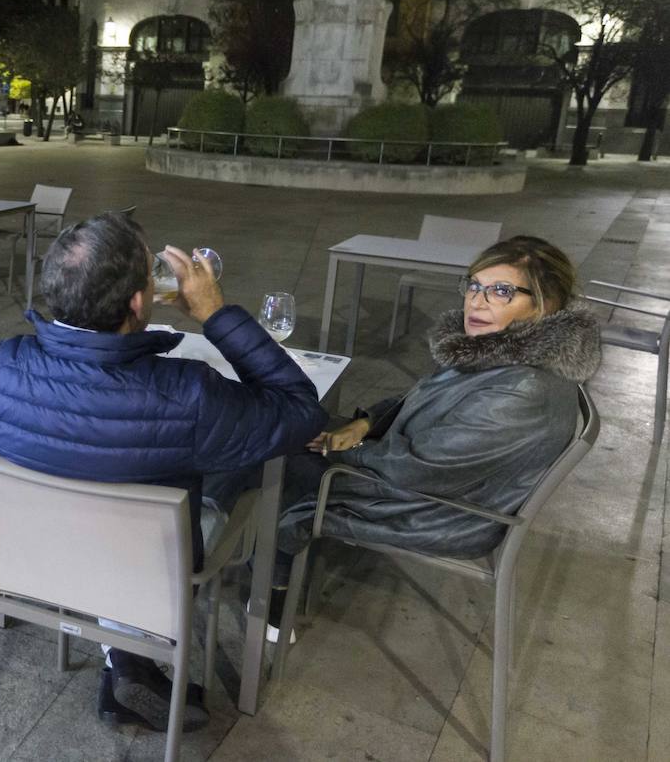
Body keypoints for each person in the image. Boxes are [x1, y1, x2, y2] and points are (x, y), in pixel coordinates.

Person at [0, 212, 326, 734]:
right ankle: (132, 653)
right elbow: (300, 410)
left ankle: (125, 660)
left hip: (32, 553)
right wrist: (216, 314)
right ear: (138, 302)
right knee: (242, 474)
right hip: (143, 563)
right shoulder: (188, 393)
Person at [206, 236, 601, 640]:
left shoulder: (523, 389)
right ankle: (223, 543)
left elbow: (420, 470)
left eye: (501, 291)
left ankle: (251, 587)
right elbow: (421, 398)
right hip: (417, 471)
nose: (477, 302)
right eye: (475, 286)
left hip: (434, 508)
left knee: (270, 446)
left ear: (544, 305)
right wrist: (365, 423)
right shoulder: (505, 354)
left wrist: (351, 449)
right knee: (282, 426)